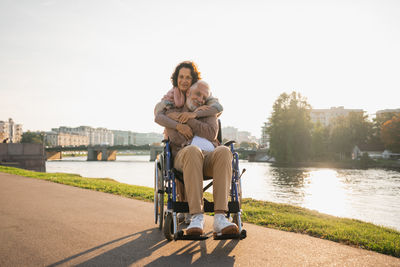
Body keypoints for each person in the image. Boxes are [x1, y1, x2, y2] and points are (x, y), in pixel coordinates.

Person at [155, 81, 239, 237]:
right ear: (188, 93)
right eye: (198, 94)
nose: (201, 99)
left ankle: (220, 218)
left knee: (224, 151)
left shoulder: (208, 111)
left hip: (208, 158)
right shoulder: (174, 110)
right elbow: (176, 136)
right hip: (183, 156)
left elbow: (211, 133)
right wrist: (183, 123)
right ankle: (196, 216)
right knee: (192, 151)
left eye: (204, 97)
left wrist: (190, 119)